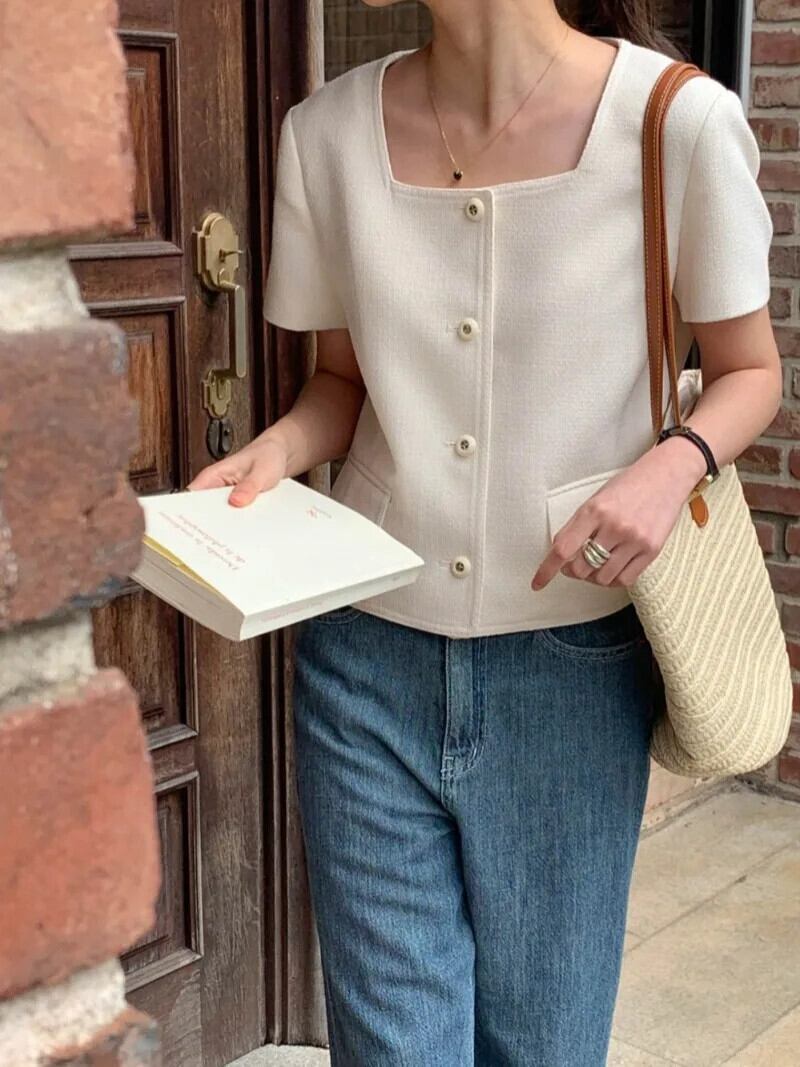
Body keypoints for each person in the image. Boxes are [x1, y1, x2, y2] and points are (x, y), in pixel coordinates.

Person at [188, 1, 781, 1063]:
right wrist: (278, 446)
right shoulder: (325, 133)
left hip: (571, 667)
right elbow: (339, 383)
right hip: (362, 656)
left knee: (544, 1043)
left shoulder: (674, 122)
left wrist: (670, 466)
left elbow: (750, 371)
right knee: (391, 1046)